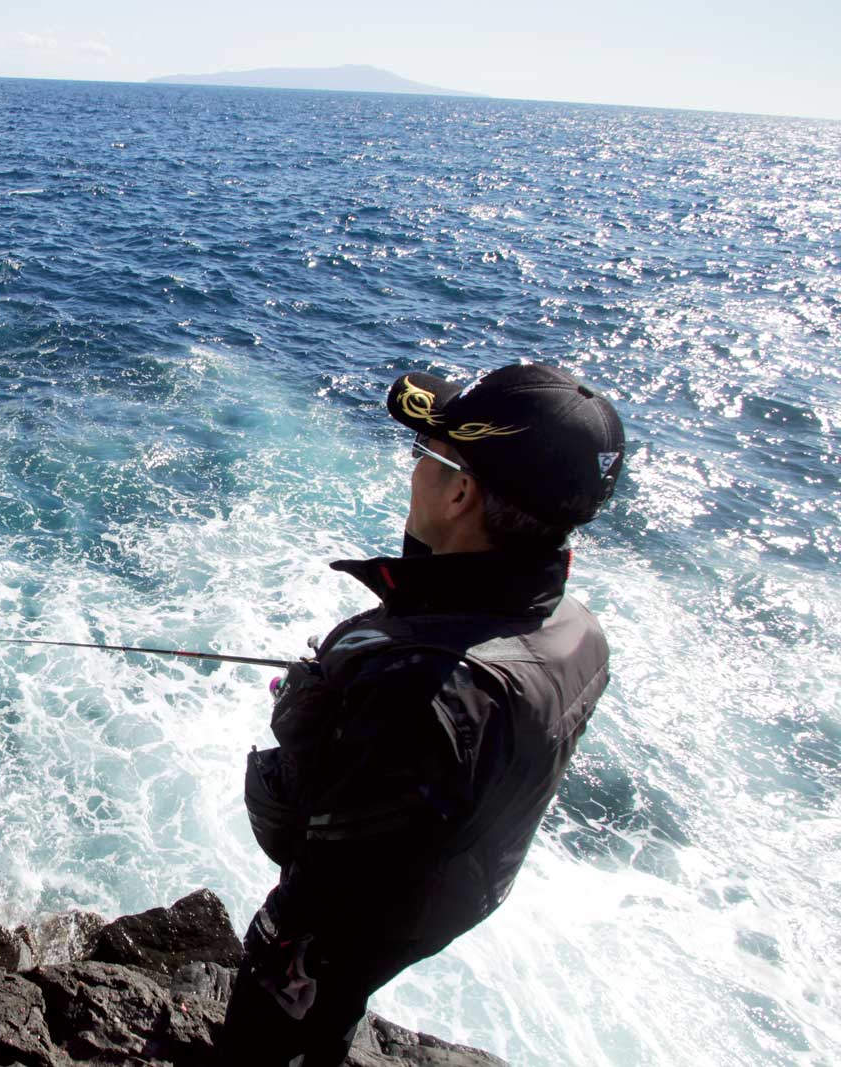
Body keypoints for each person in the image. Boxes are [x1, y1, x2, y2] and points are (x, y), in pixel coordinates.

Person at [221, 362, 626, 1066]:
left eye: (425, 456)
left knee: (275, 1025)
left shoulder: (425, 693)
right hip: (456, 890)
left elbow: (301, 843)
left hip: (338, 938)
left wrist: (308, 719)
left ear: (462, 490)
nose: (413, 470)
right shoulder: (580, 632)